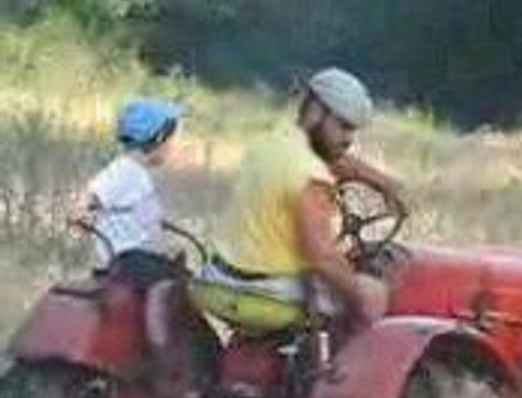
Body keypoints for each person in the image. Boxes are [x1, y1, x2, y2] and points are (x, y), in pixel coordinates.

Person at [206, 67, 405, 325]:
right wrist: (359, 298)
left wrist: (386, 184)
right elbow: (323, 256)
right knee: (374, 294)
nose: (349, 139)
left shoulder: (274, 143)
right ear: (316, 111)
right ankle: (336, 364)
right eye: (343, 126)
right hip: (265, 291)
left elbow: (337, 163)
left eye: (353, 130)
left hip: (218, 278)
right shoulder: (310, 175)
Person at [74, 97, 184, 288]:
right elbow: (94, 192)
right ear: (158, 138)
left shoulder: (139, 176)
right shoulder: (124, 170)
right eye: (172, 141)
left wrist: (169, 247)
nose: (174, 147)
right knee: (180, 285)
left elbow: (149, 223)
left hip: (138, 258)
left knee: (179, 267)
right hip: (129, 261)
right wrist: (82, 208)